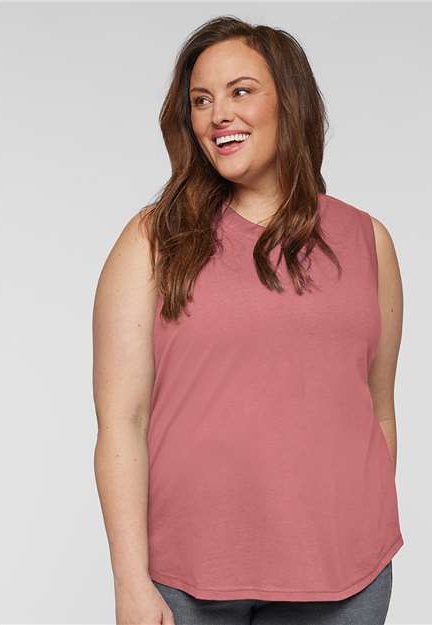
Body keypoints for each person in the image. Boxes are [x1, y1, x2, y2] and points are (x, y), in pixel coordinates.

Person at [92, 15, 404, 625]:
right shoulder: (153, 239)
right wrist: (130, 580)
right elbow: (121, 422)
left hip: (345, 579)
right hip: (186, 577)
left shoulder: (369, 240)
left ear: (290, 101)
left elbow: (378, 409)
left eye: (240, 91)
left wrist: (360, 527)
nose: (218, 115)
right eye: (201, 100)